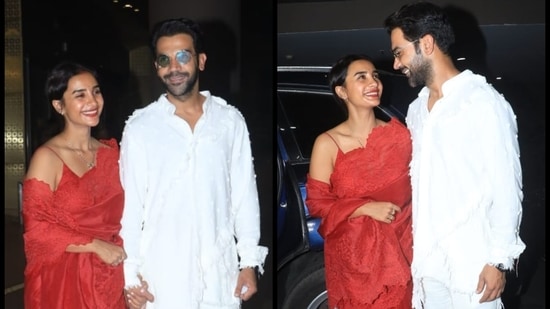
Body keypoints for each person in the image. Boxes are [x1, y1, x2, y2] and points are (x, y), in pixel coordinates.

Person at [383, 2, 526, 308]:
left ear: (427, 43)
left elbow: (506, 184)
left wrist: (499, 260)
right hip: (429, 264)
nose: (396, 64)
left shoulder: (482, 101)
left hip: (472, 264)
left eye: (399, 52)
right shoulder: (416, 109)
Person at [119, 17, 268, 309]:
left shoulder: (229, 121)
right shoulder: (140, 127)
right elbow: (131, 207)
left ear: (200, 61)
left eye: (183, 56)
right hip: (161, 279)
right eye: (164, 60)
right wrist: (130, 275)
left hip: (219, 275)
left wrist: (248, 262)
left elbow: (244, 196)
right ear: (156, 67)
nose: (174, 67)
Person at [305, 54, 413, 309]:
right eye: (361, 77)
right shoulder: (327, 143)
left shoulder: (399, 135)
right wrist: (364, 207)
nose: (373, 82)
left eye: (375, 75)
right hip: (355, 259)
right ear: (341, 91)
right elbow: (318, 204)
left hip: (404, 245)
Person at [22, 61, 127, 308]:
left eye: (96, 91)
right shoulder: (47, 157)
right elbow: (36, 231)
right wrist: (96, 246)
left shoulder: (113, 153)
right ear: (59, 106)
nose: (92, 101)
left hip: (112, 272)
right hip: (66, 280)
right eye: (80, 95)